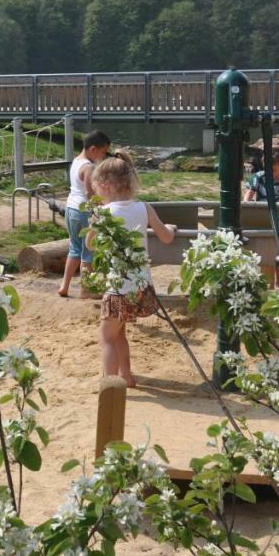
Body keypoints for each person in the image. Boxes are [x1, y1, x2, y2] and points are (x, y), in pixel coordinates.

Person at [87, 153, 177, 388]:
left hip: (118, 286)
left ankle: (109, 383)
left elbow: (90, 245)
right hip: (140, 285)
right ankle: (126, 375)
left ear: (106, 185)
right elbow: (166, 238)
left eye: (96, 187)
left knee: (106, 337)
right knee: (119, 333)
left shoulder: (104, 214)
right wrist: (171, 227)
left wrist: (92, 224)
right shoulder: (144, 207)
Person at [58, 130, 111, 298]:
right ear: (94, 149)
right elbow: (90, 192)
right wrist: (104, 206)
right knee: (88, 251)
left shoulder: (76, 161)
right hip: (84, 212)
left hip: (71, 208)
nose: (103, 157)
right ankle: (85, 289)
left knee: (74, 249)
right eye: (103, 153)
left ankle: (64, 286)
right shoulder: (88, 167)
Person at [244, 146, 279, 286]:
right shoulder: (259, 178)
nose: (269, 173)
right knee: (259, 250)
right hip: (260, 219)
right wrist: (246, 205)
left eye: (273, 170)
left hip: (278, 221)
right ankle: (259, 281)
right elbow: (249, 193)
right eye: (267, 169)